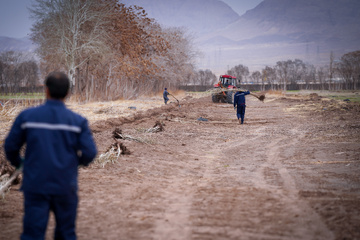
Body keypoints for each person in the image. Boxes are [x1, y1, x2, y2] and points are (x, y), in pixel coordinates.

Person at [4, 72, 97, 240]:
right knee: (66, 233)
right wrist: (73, 164)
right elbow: (90, 153)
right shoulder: (78, 121)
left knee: (32, 234)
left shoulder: (27, 117)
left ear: (46, 90)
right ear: (68, 93)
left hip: (35, 184)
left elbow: (10, 147)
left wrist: (21, 164)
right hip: (65, 185)